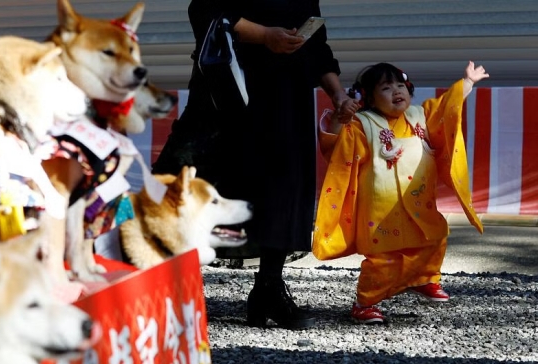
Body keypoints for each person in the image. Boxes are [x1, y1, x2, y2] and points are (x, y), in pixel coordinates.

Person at [153, 0, 357, 330]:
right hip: (230, 87)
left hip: (287, 92)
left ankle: (269, 288)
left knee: (283, 186)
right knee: (191, 182)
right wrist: (263, 35)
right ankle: (160, 287)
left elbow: (315, 39)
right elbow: (204, 10)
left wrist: (337, 95)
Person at [313, 61, 488, 324]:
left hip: (418, 200)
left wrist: (467, 83)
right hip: (381, 208)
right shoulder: (363, 124)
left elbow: (446, 108)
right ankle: (365, 302)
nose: (397, 91)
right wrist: (341, 118)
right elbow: (339, 149)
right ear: (368, 97)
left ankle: (424, 279)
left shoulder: (420, 115)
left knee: (433, 239)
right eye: (386, 87)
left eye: (400, 85)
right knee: (384, 258)